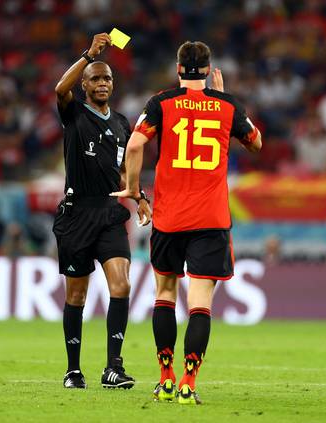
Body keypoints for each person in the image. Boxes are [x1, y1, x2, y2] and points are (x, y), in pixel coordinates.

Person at [111, 41, 262, 404]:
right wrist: (224, 101)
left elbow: (133, 146)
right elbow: (255, 142)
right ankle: (188, 383)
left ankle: (165, 377)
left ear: (178, 69)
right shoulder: (228, 106)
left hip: (169, 217)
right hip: (210, 219)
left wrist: (133, 188)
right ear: (209, 69)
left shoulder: (161, 103)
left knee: (164, 294)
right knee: (200, 304)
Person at [53, 33, 135, 389]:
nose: (102, 83)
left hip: (109, 211)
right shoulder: (73, 112)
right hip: (77, 214)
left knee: (121, 284)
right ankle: (73, 370)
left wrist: (140, 194)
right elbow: (59, 88)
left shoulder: (121, 123)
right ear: (84, 84)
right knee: (77, 296)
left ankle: (112, 367)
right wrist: (89, 55)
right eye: (96, 78)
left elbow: (123, 169)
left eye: (107, 79)